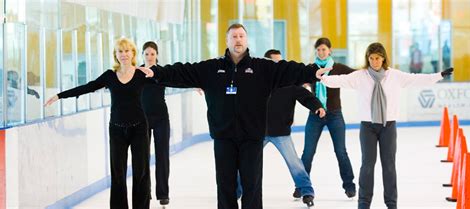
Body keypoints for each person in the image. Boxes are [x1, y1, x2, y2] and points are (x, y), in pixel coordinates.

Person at [138, 23, 320, 209]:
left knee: (252, 187)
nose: (238, 39)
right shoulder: (212, 68)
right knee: (225, 187)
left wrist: (313, 72)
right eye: (234, 36)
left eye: (241, 36)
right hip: (224, 138)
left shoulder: (262, 68)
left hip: (252, 138)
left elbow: (288, 69)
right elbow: (184, 71)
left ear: (246, 40)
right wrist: (157, 72)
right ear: (226, 40)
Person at [316, 42, 454, 209]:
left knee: (389, 166)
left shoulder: (394, 76)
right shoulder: (360, 76)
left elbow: (416, 78)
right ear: (368, 58)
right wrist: (321, 77)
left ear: (383, 58)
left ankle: (391, 204)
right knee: (367, 165)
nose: (375, 62)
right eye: (372, 58)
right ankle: (364, 204)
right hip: (368, 127)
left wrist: (438, 75)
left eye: (378, 58)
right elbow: (339, 80)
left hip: (388, 126)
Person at [45, 38, 153, 209]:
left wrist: (195, 85)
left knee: (141, 173)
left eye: (127, 51)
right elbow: (87, 87)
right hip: (117, 130)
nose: (123, 54)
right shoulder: (109, 76)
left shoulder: (142, 74)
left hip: (139, 128)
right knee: (118, 175)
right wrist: (60, 95)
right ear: (115, 55)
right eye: (120, 51)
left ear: (132, 53)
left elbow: (168, 79)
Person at [235, 49, 324, 207]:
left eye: (280, 62)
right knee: (246, 163)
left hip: (281, 132)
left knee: (294, 163)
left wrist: (317, 106)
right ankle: (236, 190)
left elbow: (305, 96)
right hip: (257, 131)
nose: (279, 66)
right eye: (275, 62)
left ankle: (307, 191)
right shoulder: (255, 81)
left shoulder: (289, 82)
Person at [298, 37, 357, 199]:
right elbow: (299, 82)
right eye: (318, 49)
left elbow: (357, 75)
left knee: (341, 151)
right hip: (315, 115)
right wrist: (304, 85)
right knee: (308, 152)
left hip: (335, 115)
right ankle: (301, 185)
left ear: (330, 51)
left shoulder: (337, 68)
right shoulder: (311, 68)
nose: (321, 52)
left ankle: (349, 186)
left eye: (324, 49)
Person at [140, 41, 171, 206]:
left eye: (152, 54)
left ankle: (163, 194)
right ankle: (146, 192)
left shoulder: (162, 72)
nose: (150, 57)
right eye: (147, 54)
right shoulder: (136, 72)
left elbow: (178, 81)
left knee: (162, 157)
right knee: (143, 158)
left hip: (161, 119)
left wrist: (196, 86)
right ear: (142, 55)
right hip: (142, 120)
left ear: (157, 55)